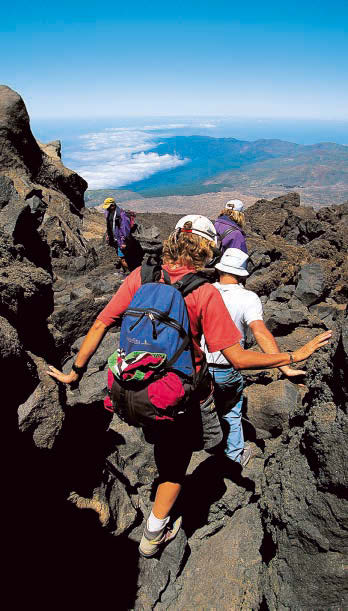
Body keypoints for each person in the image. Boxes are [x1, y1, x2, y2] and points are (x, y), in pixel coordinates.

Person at [47, 215, 331, 558]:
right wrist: (291, 356)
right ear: (208, 251)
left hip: (133, 386)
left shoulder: (141, 276)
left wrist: (75, 372)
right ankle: (153, 535)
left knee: (163, 443)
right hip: (181, 397)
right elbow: (238, 358)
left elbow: (100, 324)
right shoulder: (204, 292)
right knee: (175, 465)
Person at [202, 247, 308, 467]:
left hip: (198, 369)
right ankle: (235, 456)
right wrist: (285, 365)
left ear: (220, 269)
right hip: (227, 368)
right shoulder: (248, 298)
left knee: (202, 406)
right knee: (231, 410)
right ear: (243, 273)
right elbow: (259, 332)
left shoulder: (203, 291)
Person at [102, 197, 131, 274]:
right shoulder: (109, 212)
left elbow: (125, 229)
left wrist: (124, 241)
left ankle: (129, 273)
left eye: (108, 206)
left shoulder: (121, 215)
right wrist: (109, 235)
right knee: (121, 255)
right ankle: (124, 270)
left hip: (121, 240)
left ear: (113, 205)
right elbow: (110, 225)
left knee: (123, 258)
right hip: (114, 239)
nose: (107, 208)